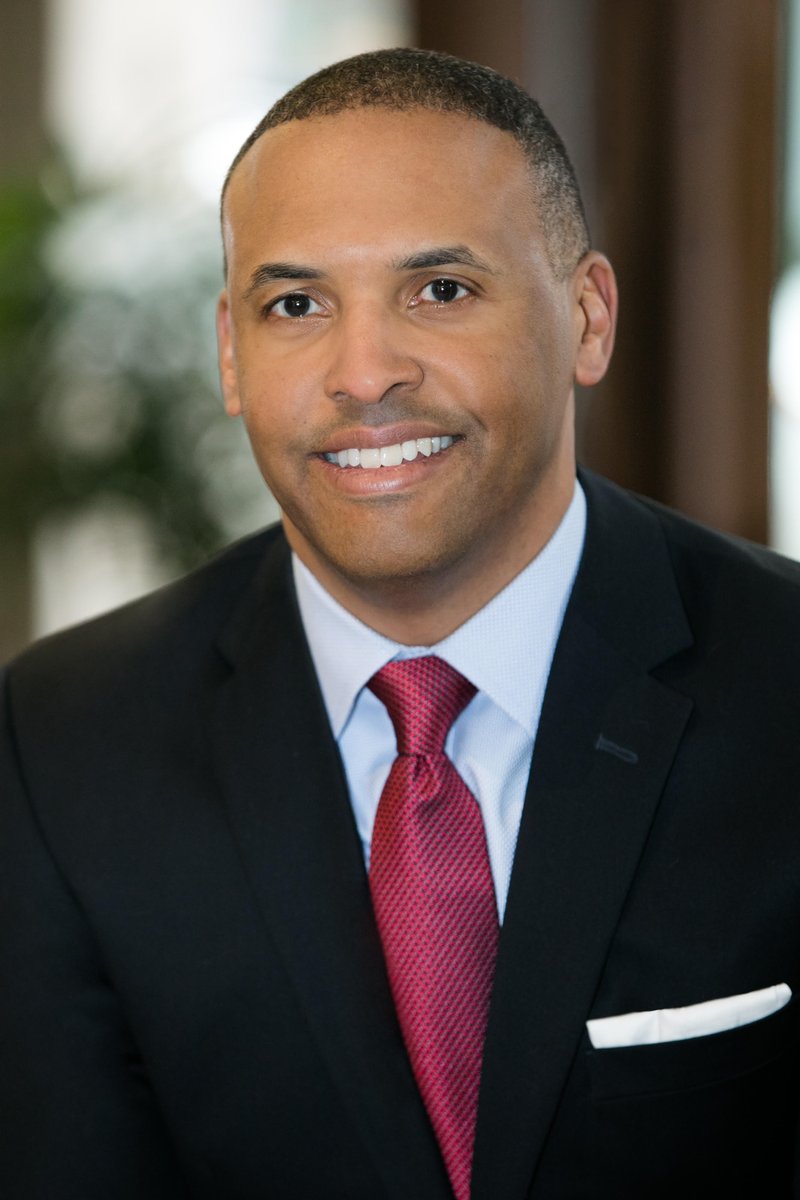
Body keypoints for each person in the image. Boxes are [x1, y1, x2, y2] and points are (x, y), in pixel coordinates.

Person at [1, 46, 799, 1200]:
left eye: (440, 291)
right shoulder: (62, 743)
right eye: (295, 305)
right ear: (231, 354)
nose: (364, 374)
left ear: (585, 318)